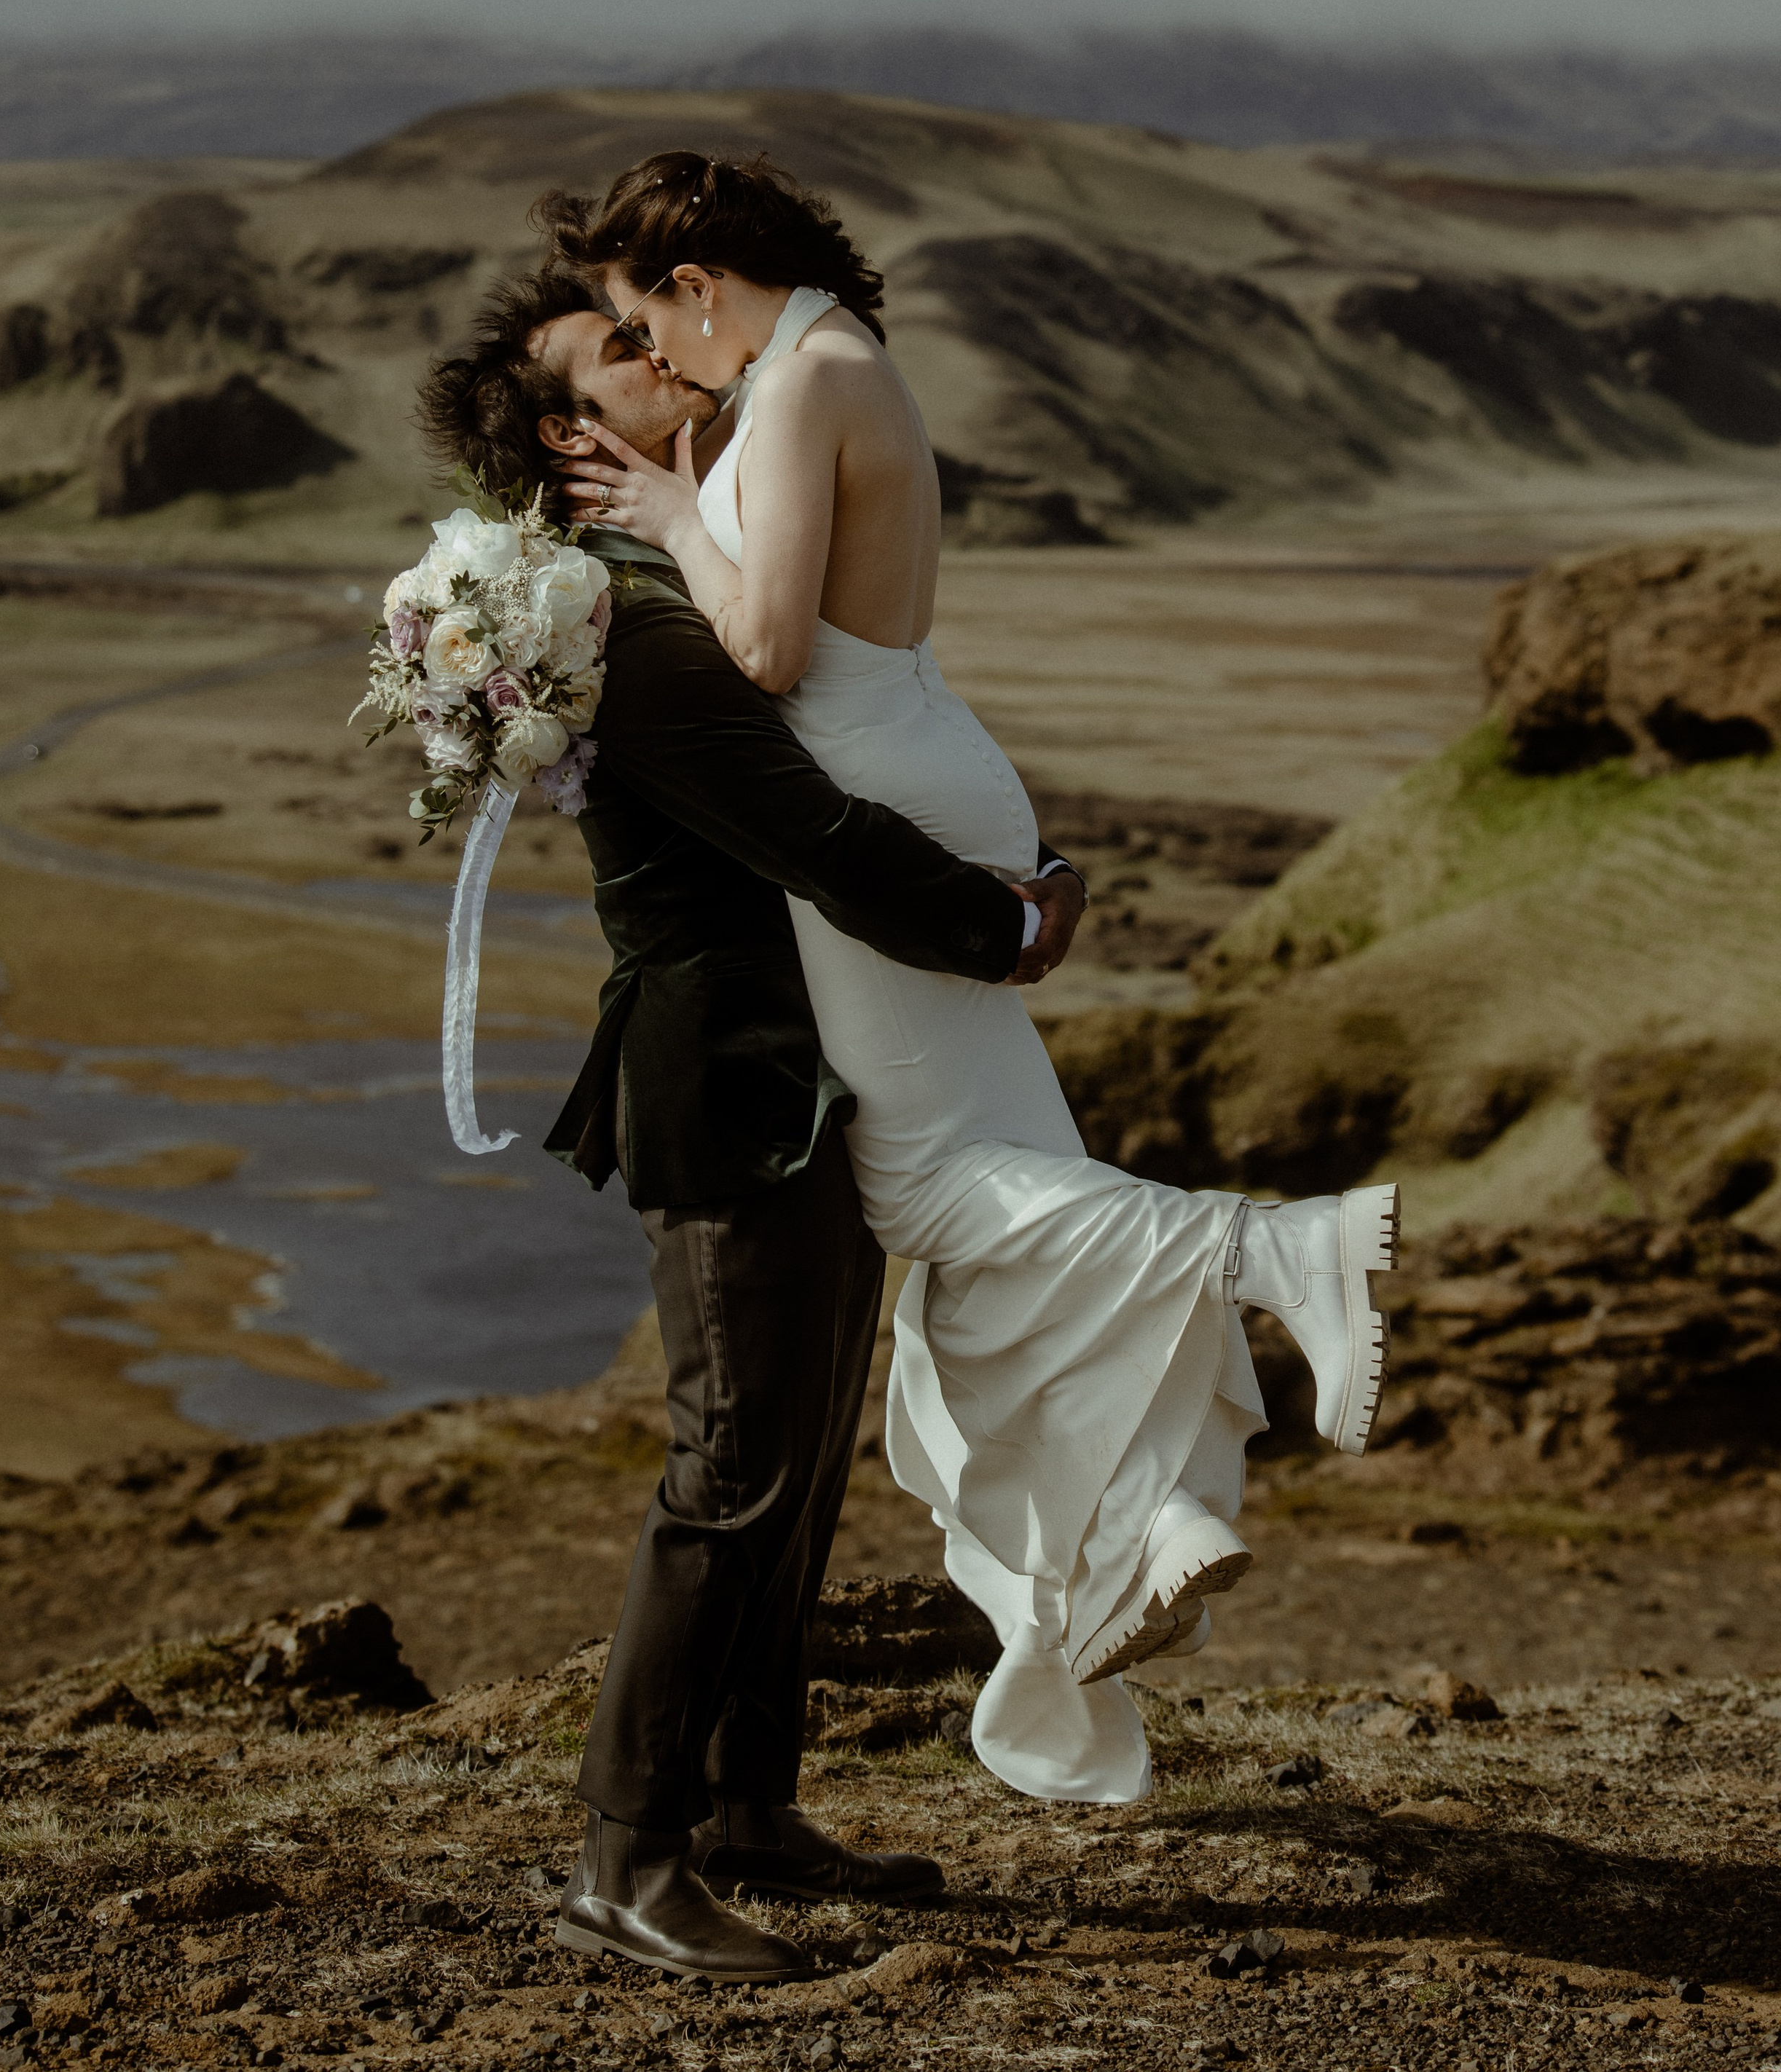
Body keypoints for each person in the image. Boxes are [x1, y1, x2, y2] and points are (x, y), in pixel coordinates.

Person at [545, 151, 1401, 1808]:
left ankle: (1281, 1247)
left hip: (875, 794)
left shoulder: (803, 376)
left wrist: (663, 517)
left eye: (652, 319)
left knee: (937, 1198)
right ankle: (1156, 1517)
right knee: (1022, 1203)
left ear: (698, 284)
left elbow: (773, 652)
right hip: (920, 767)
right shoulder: (810, 367)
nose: (658, 358)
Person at [417, 273, 1088, 1983]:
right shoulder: (624, 625)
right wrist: (1004, 928)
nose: (663, 353)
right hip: (731, 1088)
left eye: (648, 325)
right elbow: (813, 831)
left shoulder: (660, 580)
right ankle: (622, 1855)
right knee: (727, 1468)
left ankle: (745, 1806)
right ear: (576, 439)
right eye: (621, 355)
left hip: (808, 1076)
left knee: (788, 1472)